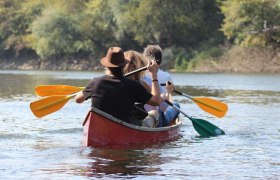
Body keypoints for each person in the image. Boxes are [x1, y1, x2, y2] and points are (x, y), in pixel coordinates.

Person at [75, 47, 163, 127]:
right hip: (125, 126)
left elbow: (77, 99)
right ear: (124, 65)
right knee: (155, 113)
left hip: (100, 126)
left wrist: (88, 88)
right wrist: (154, 75)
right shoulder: (133, 85)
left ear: (106, 66)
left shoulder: (95, 82)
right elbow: (156, 101)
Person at [142, 45, 180, 127]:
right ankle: (171, 122)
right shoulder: (166, 76)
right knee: (176, 105)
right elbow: (164, 105)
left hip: (144, 115)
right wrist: (168, 92)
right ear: (160, 61)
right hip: (159, 115)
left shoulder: (141, 77)